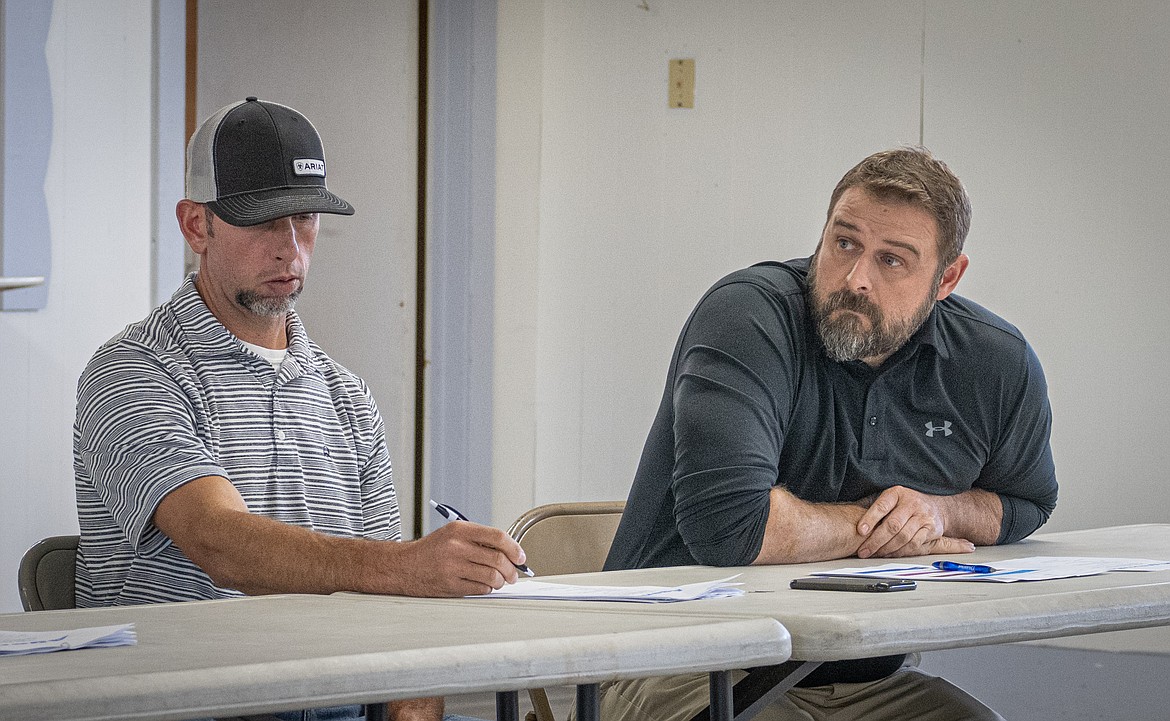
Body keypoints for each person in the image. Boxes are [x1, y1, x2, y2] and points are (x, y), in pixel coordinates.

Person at [73, 97, 525, 721]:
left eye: (305, 219)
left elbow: (389, 603)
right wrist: (409, 566)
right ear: (195, 226)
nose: (290, 250)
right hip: (184, 698)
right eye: (263, 222)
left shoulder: (347, 394)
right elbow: (219, 543)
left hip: (337, 696)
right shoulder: (132, 370)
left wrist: (415, 687)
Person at [602, 147, 1058, 721]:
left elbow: (1027, 501)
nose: (856, 278)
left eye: (892, 260)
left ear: (947, 277)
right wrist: (883, 527)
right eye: (844, 244)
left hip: (860, 680)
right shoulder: (747, 315)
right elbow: (732, 530)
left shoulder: (996, 361)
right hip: (681, 665)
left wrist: (940, 514)